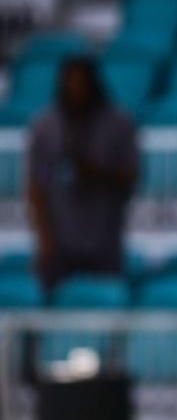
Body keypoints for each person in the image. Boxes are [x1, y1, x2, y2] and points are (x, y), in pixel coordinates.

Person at [26, 55, 139, 290]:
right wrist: (45, 239)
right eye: (71, 82)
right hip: (59, 236)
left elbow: (132, 175)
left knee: (104, 301)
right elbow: (36, 186)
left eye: (82, 82)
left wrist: (96, 173)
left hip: (102, 236)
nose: (77, 89)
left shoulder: (117, 124)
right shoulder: (46, 126)